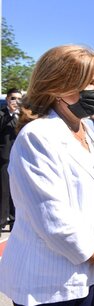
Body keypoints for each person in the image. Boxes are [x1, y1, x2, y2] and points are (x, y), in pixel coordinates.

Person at [0, 44, 94, 306]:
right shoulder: (37, 137)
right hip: (47, 284)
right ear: (58, 87)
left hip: (87, 276)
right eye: (90, 82)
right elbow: (52, 217)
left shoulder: (86, 129)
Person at [0, 88, 22, 234]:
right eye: (13, 98)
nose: (16, 101)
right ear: (8, 99)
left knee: (17, 190)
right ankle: (1, 221)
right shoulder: (2, 114)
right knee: (3, 190)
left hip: (20, 158)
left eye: (19, 99)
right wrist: (10, 114)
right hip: (4, 158)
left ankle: (15, 222)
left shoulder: (24, 116)